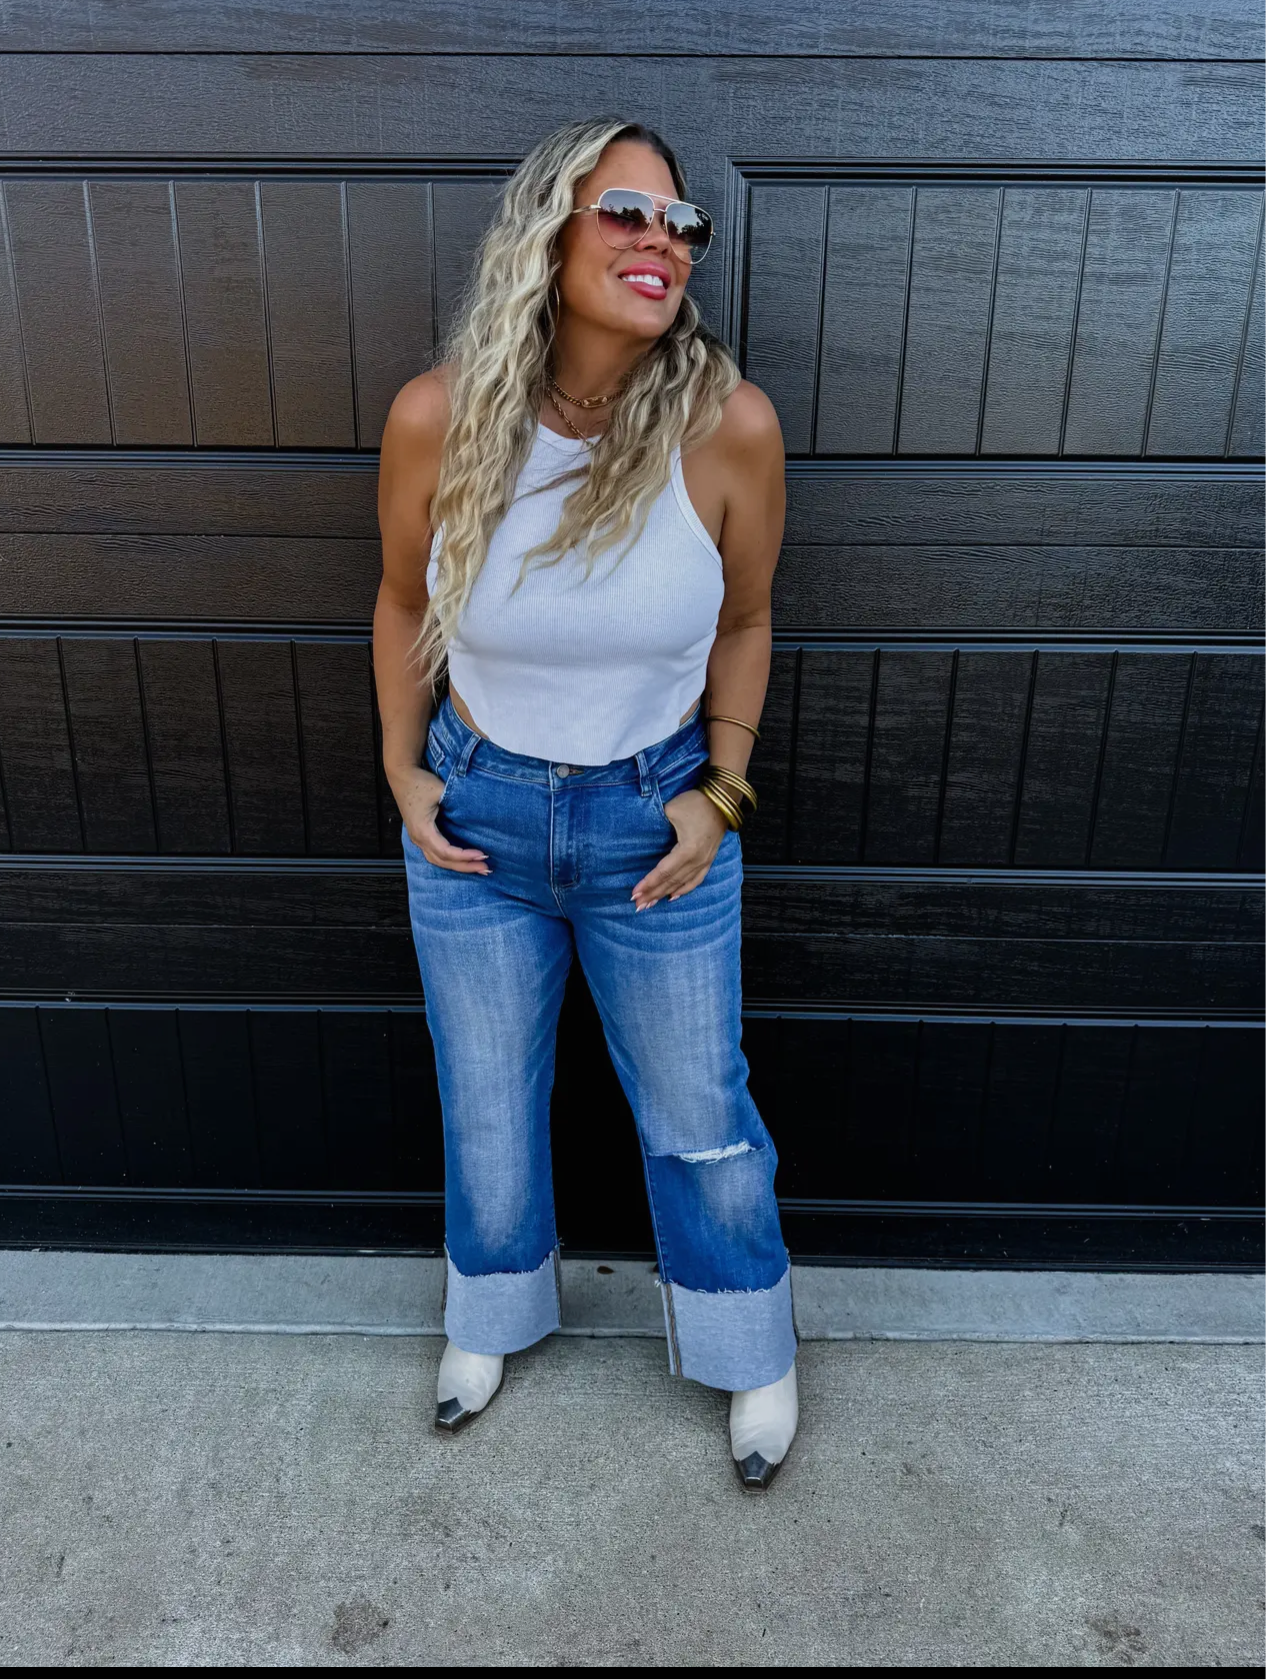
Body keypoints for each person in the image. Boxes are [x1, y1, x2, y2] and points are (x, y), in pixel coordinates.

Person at [374, 117, 794, 1490]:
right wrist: (403, 767)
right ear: (546, 233)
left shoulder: (729, 427)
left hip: (654, 822)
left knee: (699, 1108)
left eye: (681, 224)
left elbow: (747, 621)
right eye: (624, 212)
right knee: (487, 1102)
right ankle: (491, 1319)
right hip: (477, 818)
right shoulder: (437, 418)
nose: (660, 242)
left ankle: (747, 1344)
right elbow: (400, 601)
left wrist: (721, 791)